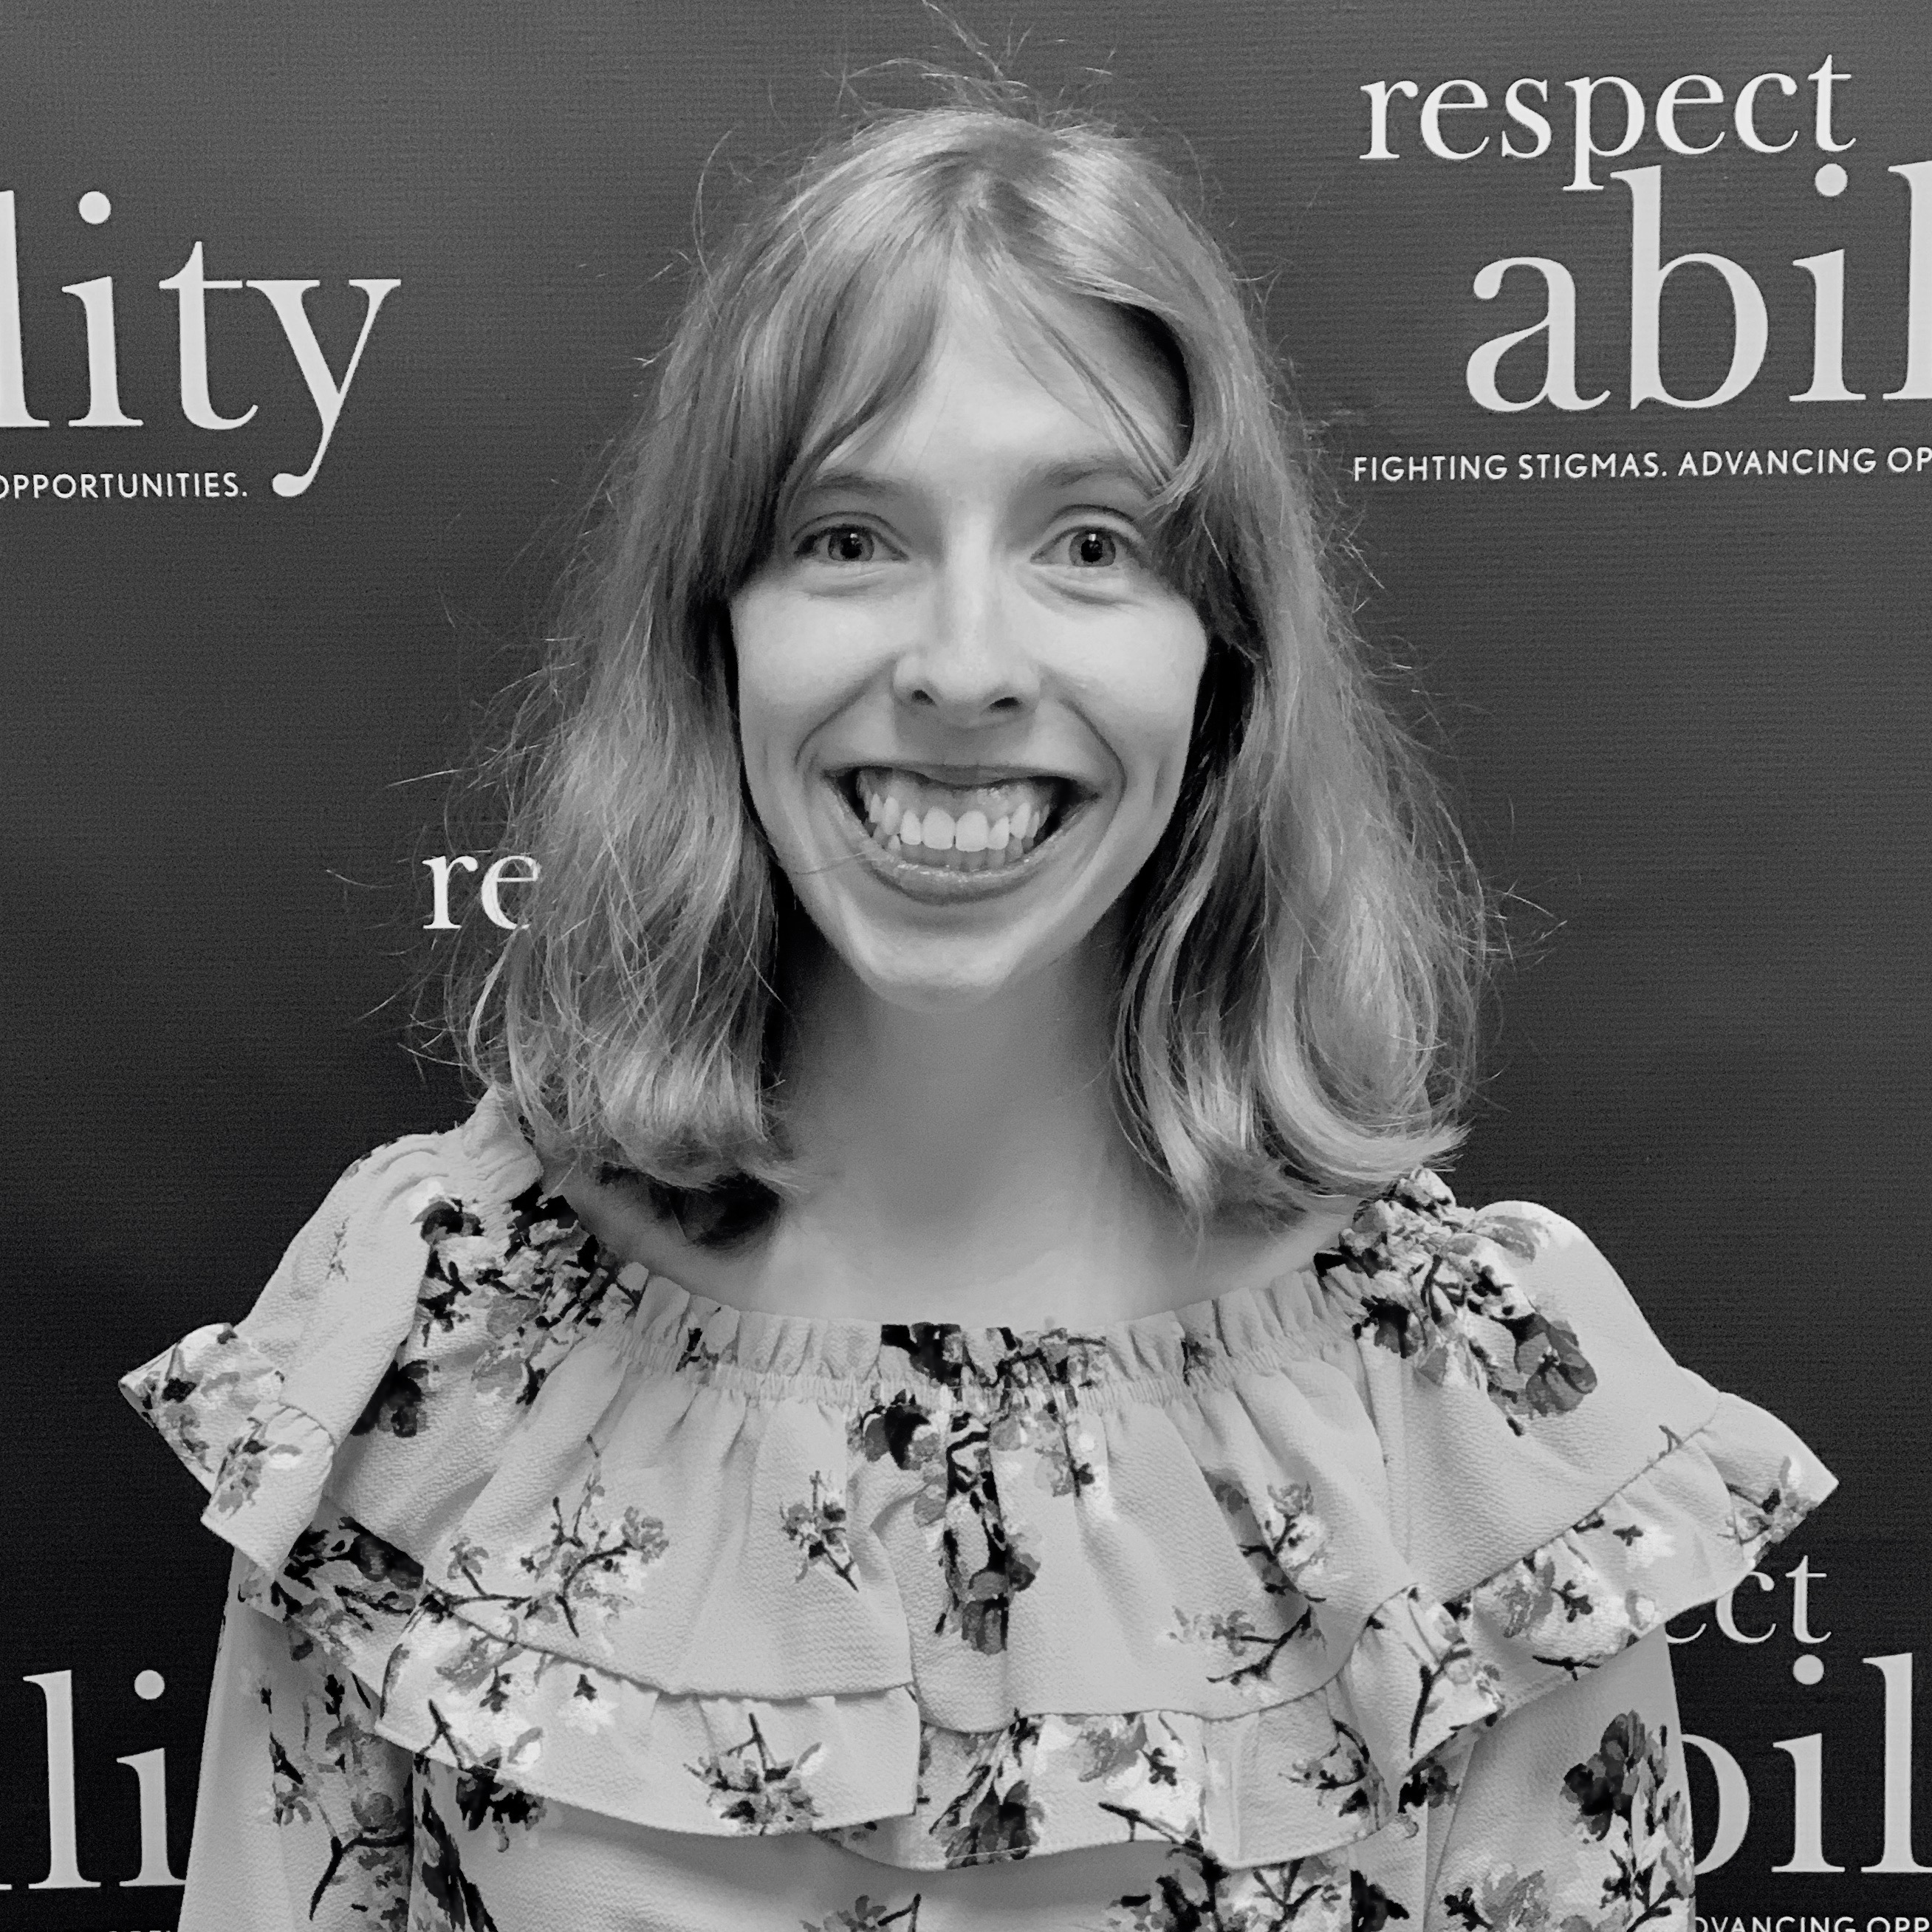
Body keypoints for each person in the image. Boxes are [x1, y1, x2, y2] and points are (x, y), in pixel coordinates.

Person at [122, 89, 1830, 1932]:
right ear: (720, 633)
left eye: (1091, 542)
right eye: (848, 536)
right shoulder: (431, 1335)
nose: (960, 664)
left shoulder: (1479, 1401)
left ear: (1223, 653)